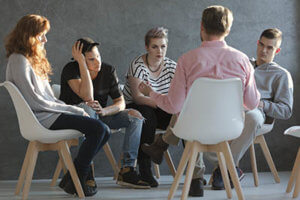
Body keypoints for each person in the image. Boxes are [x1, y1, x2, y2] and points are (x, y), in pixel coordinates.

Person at [139, 5, 260, 197]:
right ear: (228, 29)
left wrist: (151, 93)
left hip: (192, 129)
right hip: (230, 129)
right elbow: (252, 104)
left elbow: (173, 106)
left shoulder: (187, 60)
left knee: (184, 111)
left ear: (201, 26)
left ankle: (190, 176)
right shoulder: (243, 60)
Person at [5, 14, 110, 197]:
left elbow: (48, 99)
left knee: (104, 130)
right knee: (99, 129)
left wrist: (71, 109)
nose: (45, 39)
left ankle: (73, 178)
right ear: (29, 35)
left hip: (49, 113)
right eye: (42, 35)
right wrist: (73, 109)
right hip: (42, 118)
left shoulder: (32, 60)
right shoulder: (18, 60)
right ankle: (76, 179)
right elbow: (35, 101)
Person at [59, 37, 149, 189]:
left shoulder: (108, 70)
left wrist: (105, 110)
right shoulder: (71, 69)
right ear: (80, 59)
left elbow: (120, 103)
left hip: (100, 117)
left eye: (98, 56)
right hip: (74, 120)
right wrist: (82, 64)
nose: (98, 62)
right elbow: (87, 96)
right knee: (87, 108)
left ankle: (127, 170)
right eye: (91, 59)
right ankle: (86, 170)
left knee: (136, 116)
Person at [209, 28, 294, 190]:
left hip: (256, 114)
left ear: (277, 50)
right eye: (261, 45)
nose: (263, 50)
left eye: (269, 47)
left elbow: (286, 111)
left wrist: (261, 103)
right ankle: (229, 169)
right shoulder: (242, 63)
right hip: (231, 110)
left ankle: (224, 168)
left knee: (253, 117)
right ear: (257, 43)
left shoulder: (282, 75)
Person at [122, 27, 177, 187]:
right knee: (147, 116)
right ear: (147, 47)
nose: (159, 51)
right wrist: (165, 103)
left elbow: (179, 96)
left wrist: (167, 104)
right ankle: (145, 170)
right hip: (136, 106)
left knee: (184, 116)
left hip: (161, 105)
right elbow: (139, 98)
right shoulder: (137, 65)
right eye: (155, 46)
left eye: (163, 46)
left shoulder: (172, 67)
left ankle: (194, 174)